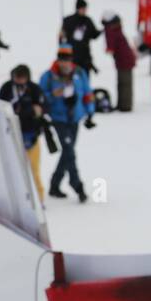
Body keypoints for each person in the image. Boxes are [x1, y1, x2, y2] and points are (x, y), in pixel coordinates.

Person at [38, 45, 95, 203]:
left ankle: (55, 184)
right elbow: (40, 98)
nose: (65, 63)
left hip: (75, 118)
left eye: (67, 59)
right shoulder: (48, 76)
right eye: (62, 59)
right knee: (69, 150)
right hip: (58, 119)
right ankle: (77, 185)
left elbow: (88, 93)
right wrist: (52, 95)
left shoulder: (79, 73)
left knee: (67, 152)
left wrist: (90, 113)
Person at [0, 64, 49, 200]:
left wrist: (37, 111)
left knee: (34, 171)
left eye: (22, 78)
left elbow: (45, 106)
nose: (19, 80)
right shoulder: (7, 88)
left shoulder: (34, 89)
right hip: (11, 135)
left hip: (32, 137)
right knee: (12, 170)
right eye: (17, 77)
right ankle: (14, 198)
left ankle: (39, 199)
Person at [102, 10, 137, 112]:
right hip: (124, 60)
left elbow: (110, 47)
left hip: (124, 60)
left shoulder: (111, 31)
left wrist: (109, 49)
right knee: (123, 82)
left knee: (124, 83)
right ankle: (123, 104)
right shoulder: (116, 29)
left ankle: (125, 105)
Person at [59, 0, 100, 75]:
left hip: (85, 56)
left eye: (85, 8)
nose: (85, 10)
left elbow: (94, 35)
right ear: (78, 8)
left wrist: (101, 31)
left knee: (84, 78)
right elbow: (61, 38)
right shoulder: (68, 20)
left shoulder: (87, 21)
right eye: (83, 8)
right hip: (71, 56)